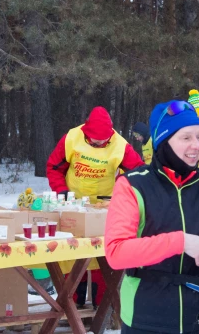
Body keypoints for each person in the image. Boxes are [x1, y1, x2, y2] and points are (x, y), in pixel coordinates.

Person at [105, 100, 199, 334]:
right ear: (163, 141)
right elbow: (116, 253)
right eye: (185, 138)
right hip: (145, 319)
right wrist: (180, 241)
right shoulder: (133, 185)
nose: (196, 146)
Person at [46, 106, 144, 309]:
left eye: (102, 141)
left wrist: (123, 188)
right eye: (93, 140)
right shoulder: (72, 138)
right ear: (86, 131)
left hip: (104, 208)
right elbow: (54, 167)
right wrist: (61, 190)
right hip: (72, 205)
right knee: (72, 254)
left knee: (102, 253)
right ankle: (73, 302)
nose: (98, 143)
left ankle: (102, 305)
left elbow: (138, 171)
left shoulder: (120, 145)